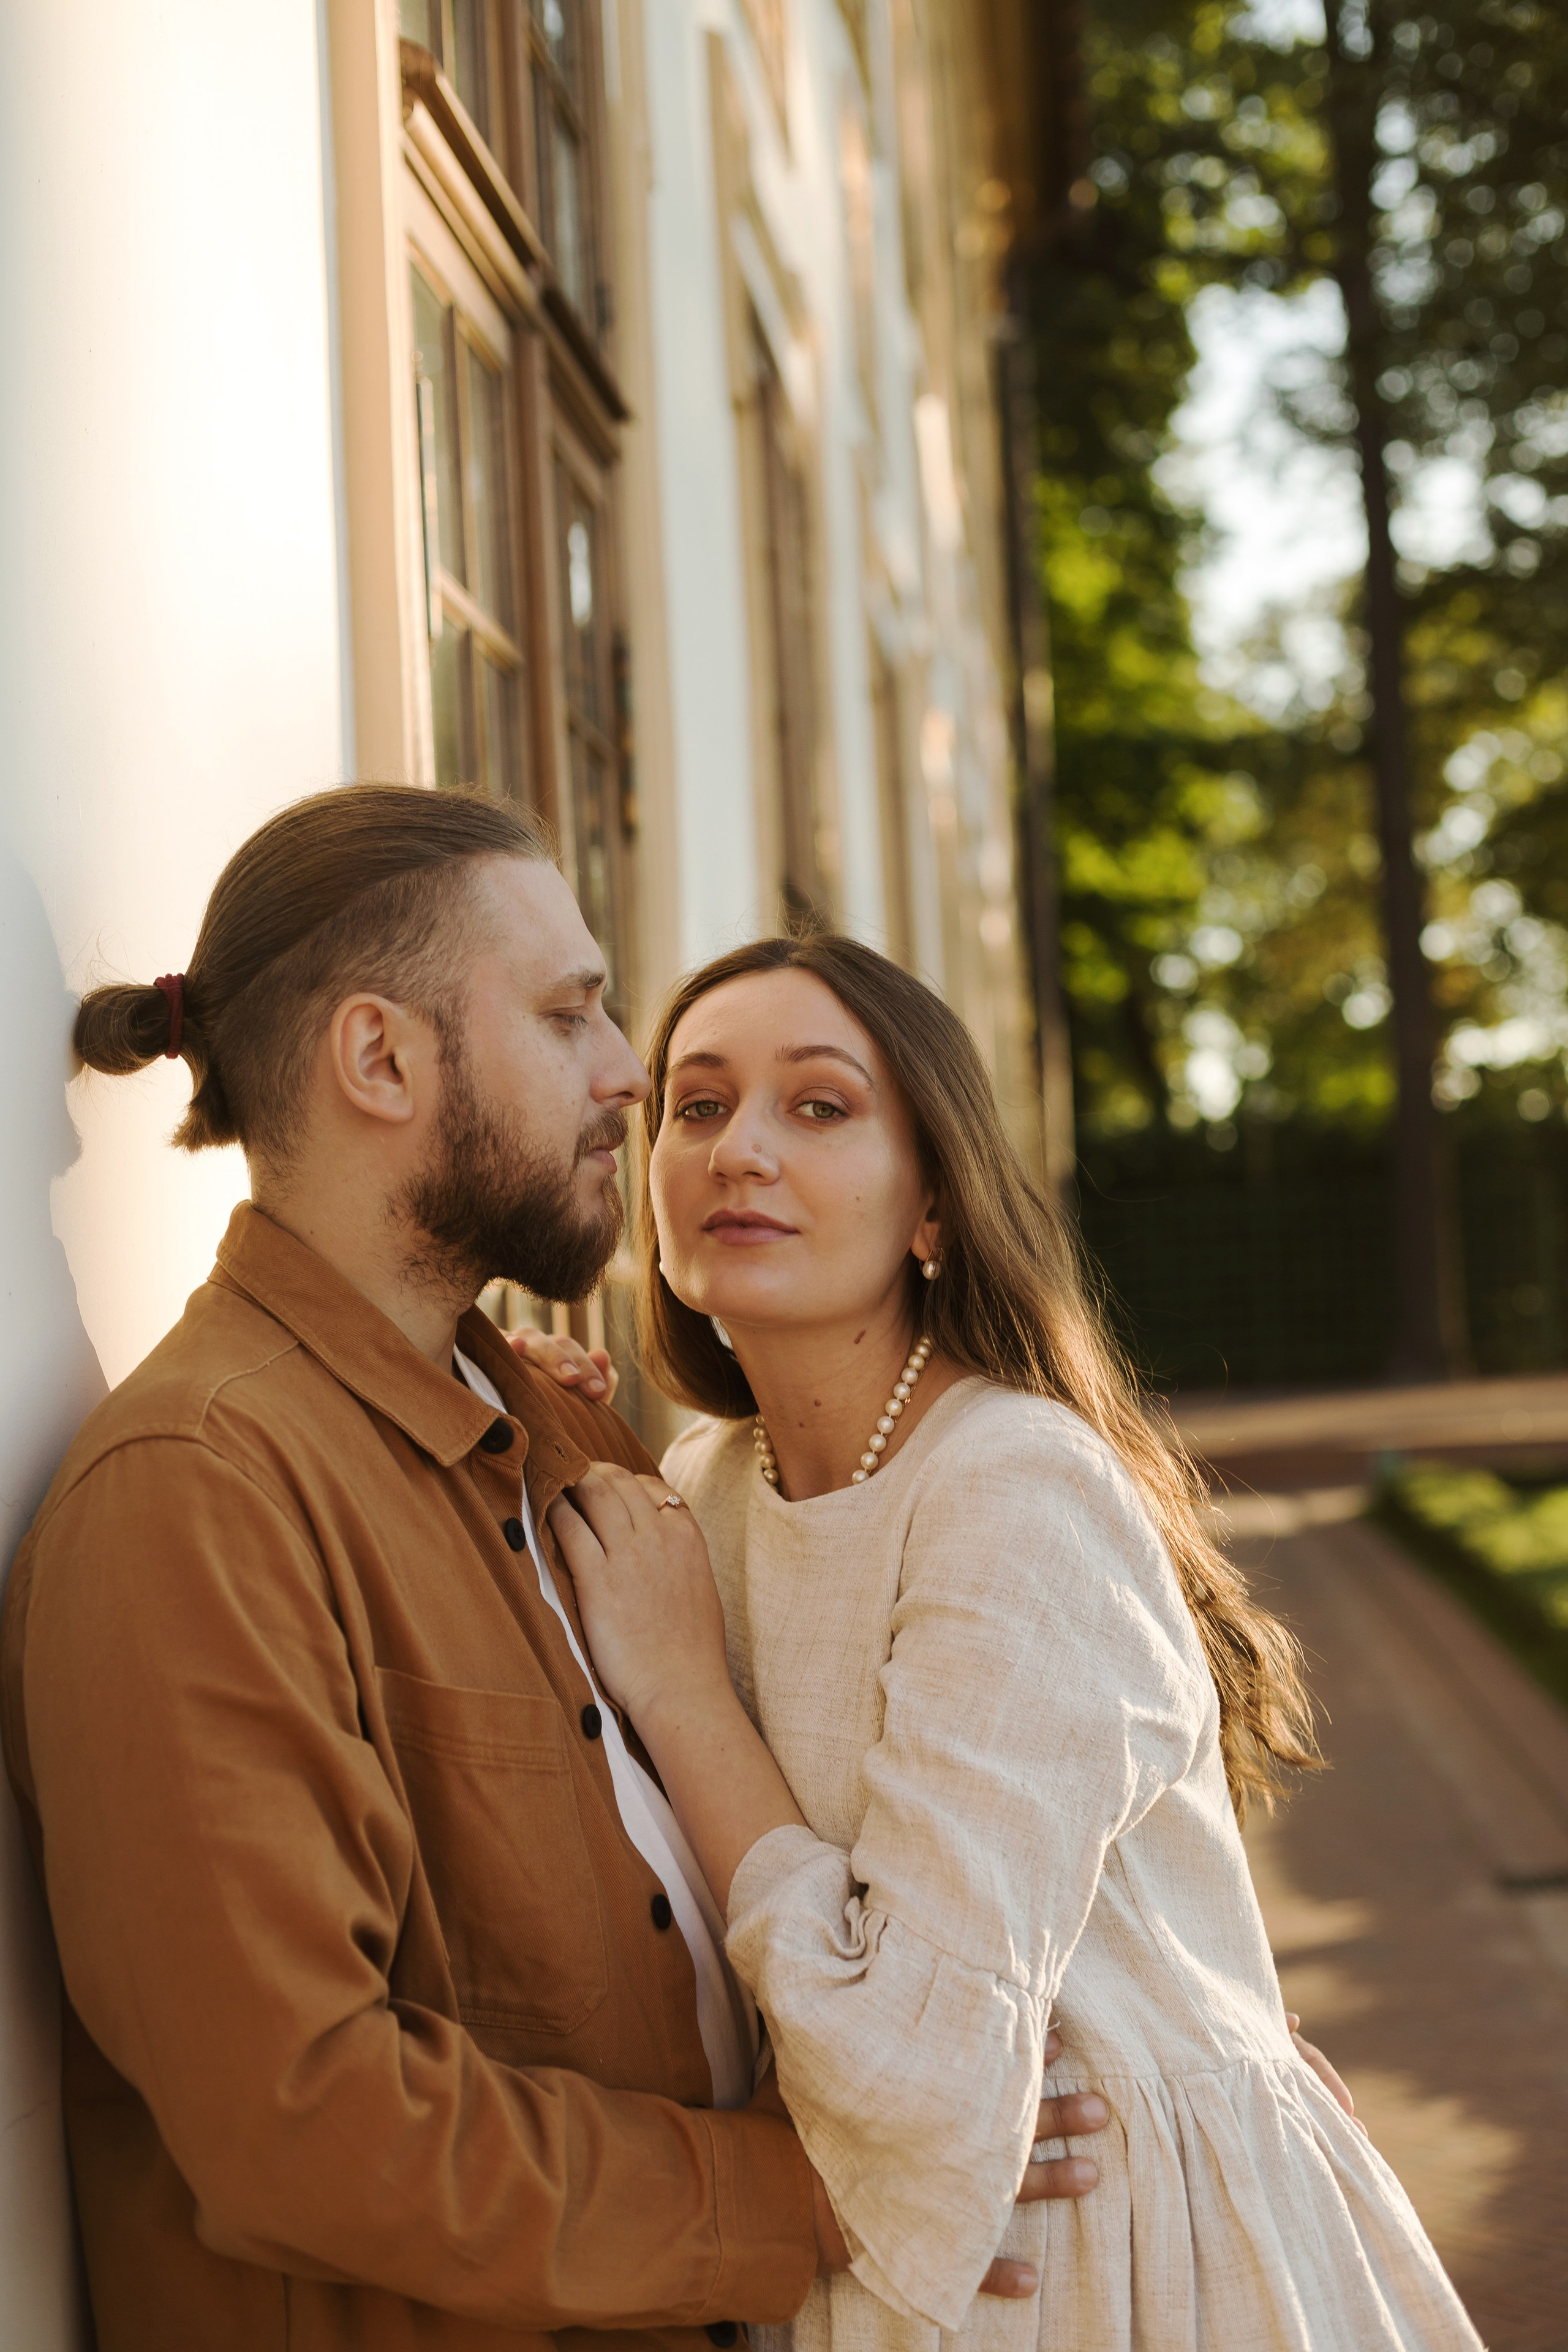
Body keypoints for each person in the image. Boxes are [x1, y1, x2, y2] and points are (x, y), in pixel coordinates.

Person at [1, 787, 1107, 2351]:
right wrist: (809, 2200)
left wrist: (1183, 2050)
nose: (627, 1073)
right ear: (381, 1059)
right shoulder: (193, 1499)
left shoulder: (562, 1440)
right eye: (569, 1013)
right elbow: (299, 2117)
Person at [543, 932, 1484, 2352]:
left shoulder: (1011, 1487)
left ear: (932, 1206)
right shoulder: (696, 1493)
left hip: (1101, 2256)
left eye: (817, 1106)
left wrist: (683, 1695)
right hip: (865, 2242)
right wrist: (518, 1428)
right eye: (696, 1103)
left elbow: (913, 2062)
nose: (738, 1149)